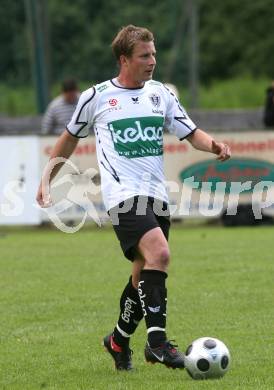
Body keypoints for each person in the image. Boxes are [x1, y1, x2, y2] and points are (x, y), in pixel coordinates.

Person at [36, 25, 231, 371]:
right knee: (160, 253)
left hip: (157, 195)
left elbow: (190, 131)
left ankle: (117, 341)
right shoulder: (96, 97)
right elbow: (68, 139)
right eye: (145, 55)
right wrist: (46, 179)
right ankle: (157, 344)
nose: (152, 61)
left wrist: (213, 144)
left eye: (154, 53)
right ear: (124, 59)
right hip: (123, 196)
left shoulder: (160, 94)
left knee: (142, 277)